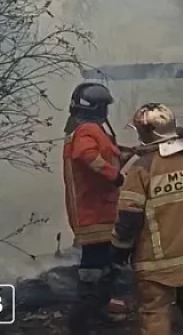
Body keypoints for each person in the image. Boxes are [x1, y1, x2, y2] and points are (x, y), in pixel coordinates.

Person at [111, 103, 183, 335]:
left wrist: (119, 252)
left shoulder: (142, 170)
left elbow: (129, 220)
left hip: (155, 262)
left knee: (155, 311)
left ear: (145, 132)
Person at [62, 82, 133, 334]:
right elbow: (87, 156)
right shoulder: (87, 131)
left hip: (101, 213)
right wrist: (114, 175)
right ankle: (80, 325)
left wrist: (126, 155)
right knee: (92, 273)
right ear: (100, 108)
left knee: (106, 268)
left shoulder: (89, 130)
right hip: (92, 215)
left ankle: (98, 311)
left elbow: (103, 156)